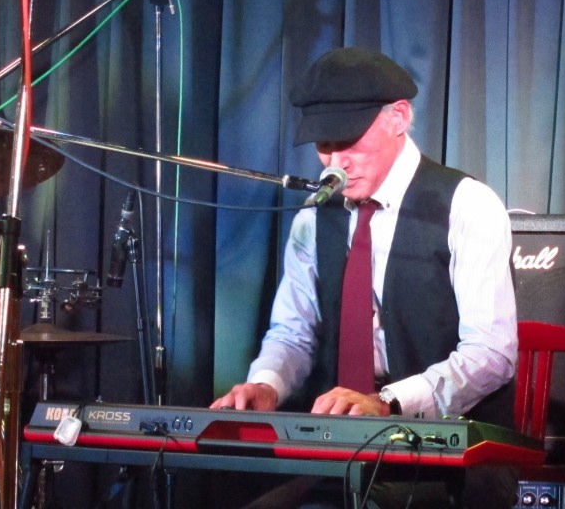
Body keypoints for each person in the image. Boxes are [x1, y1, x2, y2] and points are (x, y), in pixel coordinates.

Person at [211, 46, 519, 509]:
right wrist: (268, 383)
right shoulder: (314, 218)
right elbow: (294, 333)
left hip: (450, 459)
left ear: (398, 117)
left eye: (349, 140)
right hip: (340, 455)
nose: (336, 163)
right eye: (324, 145)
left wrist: (388, 403)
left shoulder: (468, 205)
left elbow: (491, 355)